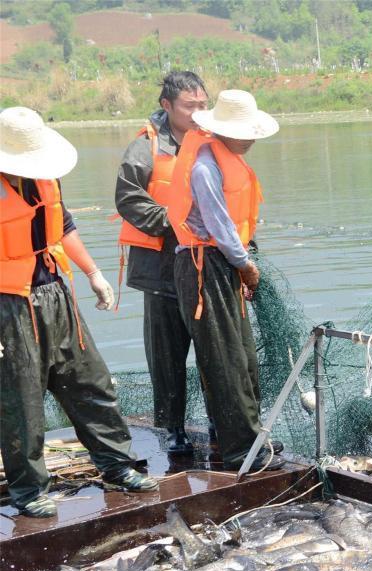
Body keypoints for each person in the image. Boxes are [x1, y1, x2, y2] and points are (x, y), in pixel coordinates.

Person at [0, 107, 158, 518]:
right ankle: (29, 490)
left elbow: (63, 226)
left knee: (90, 381)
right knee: (21, 401)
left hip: (55, 293)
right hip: (8, 304)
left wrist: (94, 273)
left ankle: (116, 465)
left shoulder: (45, 178)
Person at [165, 89, 283, 472]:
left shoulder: (227, 157)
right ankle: (239, 450)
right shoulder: (204, 166)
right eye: (244, 132)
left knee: (244, 357)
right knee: (225, 359)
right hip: (205, 267)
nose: (250, 139)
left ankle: (249, 436)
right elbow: (217, 225)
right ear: (223, 131)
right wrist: (245, 265)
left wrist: (243, 262)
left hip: (225, 263)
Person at [114, 71, 208, 454]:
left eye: (203, 104)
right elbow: (128, 197)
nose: (198, 112)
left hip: (206, 268)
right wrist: (171, 219)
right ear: (167, 106)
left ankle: (221, 423)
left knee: (214, 352)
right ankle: (172, 430)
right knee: (167, 357)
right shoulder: (146, 147)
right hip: (161, 271)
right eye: (190, 106)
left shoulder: (215, 140)